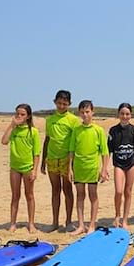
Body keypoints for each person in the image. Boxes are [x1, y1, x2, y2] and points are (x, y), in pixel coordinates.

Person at [40, 90, 80, 232]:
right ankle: (55, 221)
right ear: (55, 102)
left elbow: (76, 142)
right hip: (52, 158)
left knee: (67, 189)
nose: (61, 106)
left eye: (64, 104)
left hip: (66, 159)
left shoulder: (73, 120)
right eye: (59, 103)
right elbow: (47, 140)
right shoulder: (50, 120)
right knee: (55, 190)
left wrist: (73, 163)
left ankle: (69, 221)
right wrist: (43, 161)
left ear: (69, 104)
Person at [68, 100, 109, 235]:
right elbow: (71, 151)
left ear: (92, 112)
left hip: (92, 168)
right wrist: (70, 168)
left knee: (93, 196)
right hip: (78, 168)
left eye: (87, 112)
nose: (85, 115)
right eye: (82, 112)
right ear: (79, 113)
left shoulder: (98, 130)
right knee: (80, 196)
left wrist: (104, 170)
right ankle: (80, 225)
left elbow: (104, 152)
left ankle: (92, 224)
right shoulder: (76, 130)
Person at [1, 103, 41, 233]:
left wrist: (35, 170)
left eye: (22, 114)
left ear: (28, 116)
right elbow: (4, 141)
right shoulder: (14, 130)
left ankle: (31, 223)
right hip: (15, 167)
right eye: (17, 114)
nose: (19, 116)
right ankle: (13, 223)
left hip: (28, 167)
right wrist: (12, 125)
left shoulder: (33, 132)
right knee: (15, 195)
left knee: (29, 195)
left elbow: (36, 153)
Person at [108, 103, 134, 229]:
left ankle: (125, 219)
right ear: (118, 114)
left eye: (127, 114)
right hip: (118, 164)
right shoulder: (113, 131)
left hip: (132, 163)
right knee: (118, 191)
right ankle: (117, 215)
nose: (124, 116)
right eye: (122, 113)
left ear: (130, 115)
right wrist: (104, 168)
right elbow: (109, 151)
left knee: (128, 191)